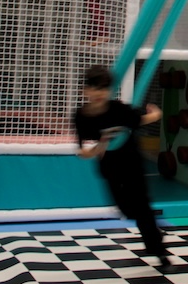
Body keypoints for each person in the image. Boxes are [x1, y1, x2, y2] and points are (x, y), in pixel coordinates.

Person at [74, 64, 176, 271]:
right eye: (94, 88)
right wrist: (99, 146)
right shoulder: (81, 117)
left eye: (103, 88)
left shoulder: (118, 109)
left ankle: (160, 254)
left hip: (132, 164)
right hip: (109, 168)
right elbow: (82, 152)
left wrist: (156, 114)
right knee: (127, 211)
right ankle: (153, 231)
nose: (99, 93)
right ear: (85, 90)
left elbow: (140, 119)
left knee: (142, 208)